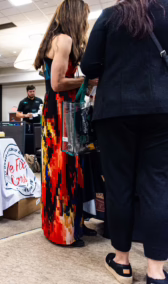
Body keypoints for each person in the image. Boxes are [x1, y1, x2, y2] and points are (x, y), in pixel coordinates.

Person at [81, 0, 168, 282]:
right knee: (158, 185)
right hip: (162, 108)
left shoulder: (110, 16)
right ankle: (157, 270)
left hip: (115, 110)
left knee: (119, 186)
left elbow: (89, 66)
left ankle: (122, 262)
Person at [34, 0, 98, 247]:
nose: (85, 22)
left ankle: (75, 224)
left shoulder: (58, 39)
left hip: (62, 112)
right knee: (62, 170)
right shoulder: (64, 40)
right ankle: (63, 232)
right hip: (60, 113)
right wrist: (88, 81)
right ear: (76, 15)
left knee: (72, 169)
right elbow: (58, 83)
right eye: (85, 16)